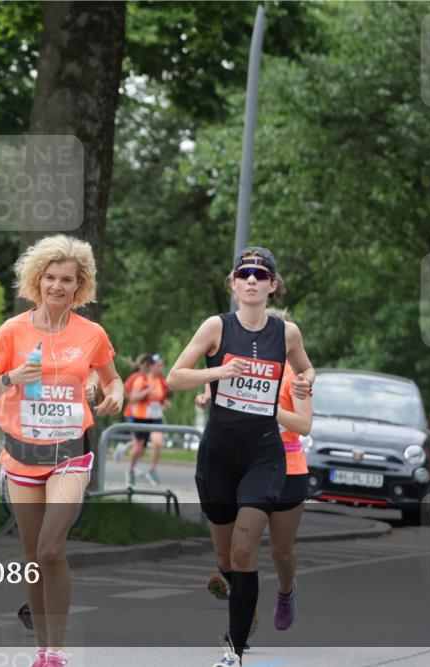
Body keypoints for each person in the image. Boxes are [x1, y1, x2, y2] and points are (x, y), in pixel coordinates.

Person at [0, 235, 123, 667]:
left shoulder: (91, 333)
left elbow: (113, 380)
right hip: (22, 455)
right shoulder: (12, 331)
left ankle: (56, 652)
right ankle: (42, 649)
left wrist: (115, 394)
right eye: (50, 278)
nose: (58, 287)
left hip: (70, 454)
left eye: (68, 280)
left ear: (81, 287)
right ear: (36, 281)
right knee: (33, 556)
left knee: (52, 548)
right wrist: (12, 377)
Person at [166, 247, 314, 667]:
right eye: (244, 273)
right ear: (233, 284)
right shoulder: (216, 326)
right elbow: (175, 376)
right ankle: (240, 593)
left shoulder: (287, 334)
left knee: (246, 553)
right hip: (218, 455)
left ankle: (234, 650)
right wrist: (218, 373)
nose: (252, 280)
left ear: (272, 285)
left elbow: (306, 371)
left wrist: (303, 386)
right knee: (226, 558)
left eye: (261, 274)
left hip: (264, 455)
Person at [199, 308, 314, 636]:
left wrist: (269, 410)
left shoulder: (296, 378)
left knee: (280, 550)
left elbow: (305, 425)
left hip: (287, 468)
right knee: (239, 550)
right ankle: (245, 618)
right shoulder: (242, 365)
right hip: (242, 466)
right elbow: (218, 387)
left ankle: (285, 591)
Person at [125, 354, 171, 485]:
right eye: (158, 365)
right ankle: (131, 470)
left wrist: (165, 402)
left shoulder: (162, 382)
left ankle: (152, 470)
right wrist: (147, 391)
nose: (160, 368)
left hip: (156, 417)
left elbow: (160, 397)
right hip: (141, 417)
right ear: (151, 366)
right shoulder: (141, 380)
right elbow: (132, 399)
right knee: (138, 448)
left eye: (162, 366)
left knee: (157, 443)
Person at [114, 353, 151, 463]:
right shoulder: (135, 377)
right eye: (146, 364)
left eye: (150, 364)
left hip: (146, 415)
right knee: (138, 443)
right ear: (140, 365)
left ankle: (124, 449)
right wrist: (133, 398)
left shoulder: (151, 378)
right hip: (132, 413)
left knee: (142, 446)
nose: (148, 367)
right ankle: (131, 471)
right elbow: (124, 392)